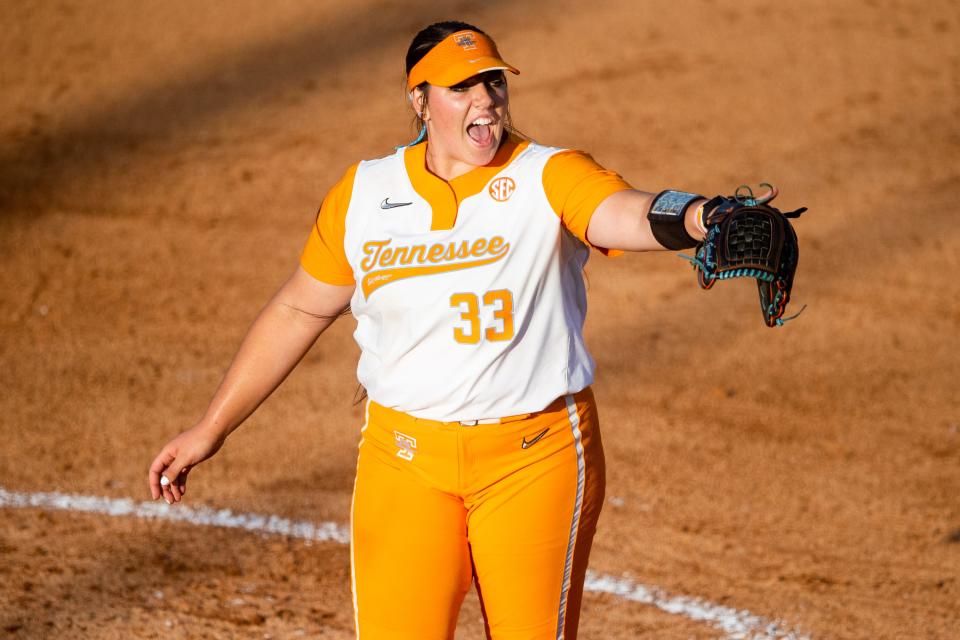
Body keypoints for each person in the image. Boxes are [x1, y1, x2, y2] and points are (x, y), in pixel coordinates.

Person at [149, 21, 713, 640]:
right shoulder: (366, 194)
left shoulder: (548, 175)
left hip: (535, 460)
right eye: (460, 86)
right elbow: (298, 310)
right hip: (406, 463)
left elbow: (624, 212)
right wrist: (211, 428)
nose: (485, 100)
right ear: (418, 100)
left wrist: (701, 217)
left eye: (492, 82)